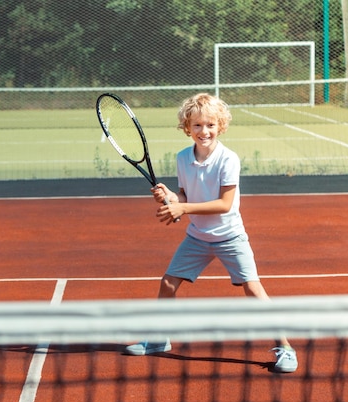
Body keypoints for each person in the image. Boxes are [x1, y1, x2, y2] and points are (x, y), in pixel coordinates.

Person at [125, 93, 297, 373]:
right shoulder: (182, 158)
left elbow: (224, 204)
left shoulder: (228, 159)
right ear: (187, 127)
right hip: (198, 238)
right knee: (168, 283)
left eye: (210, 125)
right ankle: (158, 339)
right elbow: (183, 195)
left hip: (230, 237)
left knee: (253, 289)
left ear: (220, 126)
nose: (203, 131)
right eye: (197, 125)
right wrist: (170, 196)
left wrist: (182, 208)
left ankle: (285, 347)